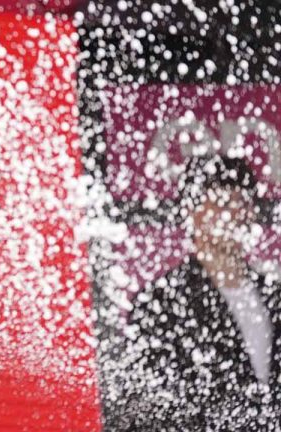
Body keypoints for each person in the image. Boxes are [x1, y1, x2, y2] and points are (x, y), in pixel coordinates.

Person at [106, 155, 281, 430]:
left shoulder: (275, 295)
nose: (236, 215)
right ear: (191, 212)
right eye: (223, 204)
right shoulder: (161, 304)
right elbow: (153, 408)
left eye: (243, 202)